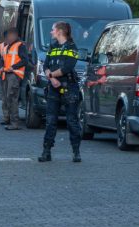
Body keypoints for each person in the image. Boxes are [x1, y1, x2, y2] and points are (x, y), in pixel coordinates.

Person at [38, 21, 82, 163]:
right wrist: (51, 80)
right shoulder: (53, 46)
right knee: (50, 121)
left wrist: (51, 76)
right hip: (53, 88)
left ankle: (76, 151)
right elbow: (45, 65)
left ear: (60, 31)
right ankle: (46, 152)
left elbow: (67, 67)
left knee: (72, 121)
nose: (51, 32)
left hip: (69, 87)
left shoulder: (72, 47)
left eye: (52, 30)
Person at [3, 28, 28, 130]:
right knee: (9, 98)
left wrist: (13, 67)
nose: (7, 38)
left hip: (14, 75)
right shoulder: (9, 45)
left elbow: (25, 60)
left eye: (9, 35)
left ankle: (14, 123)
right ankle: (11, 121)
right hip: (8, 74)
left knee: (12, 98)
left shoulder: (20, 46)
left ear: (14, 35)